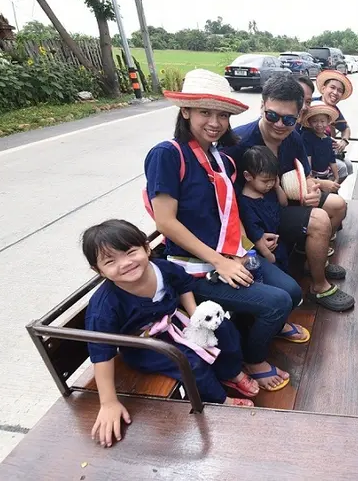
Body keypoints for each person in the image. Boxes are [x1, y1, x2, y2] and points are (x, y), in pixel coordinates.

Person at [144, 69, 307, 392]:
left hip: (232, 256)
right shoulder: (167, 155)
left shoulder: (220, 158)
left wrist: (248, 243)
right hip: (194, 270)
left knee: (292, 292)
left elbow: (230, 209)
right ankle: (253, 359)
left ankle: (268, 327)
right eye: (205, 112)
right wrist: (220, 262)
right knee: (277, 302)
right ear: (186, 111)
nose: (215, 122)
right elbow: (165, 222)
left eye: (222, 115)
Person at [82, 220, 259, 447]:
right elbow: (101, 352)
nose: (125, 263)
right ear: (98, 270)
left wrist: (195, 316)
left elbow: (183, 284)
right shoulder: (104, 306)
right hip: (145, 345)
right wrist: (108, 403)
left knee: (223, 329)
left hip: (176, 322)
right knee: (189, 363)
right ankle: (219, 399)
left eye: (130, 252)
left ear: (146, 248)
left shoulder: (162, 268)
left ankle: (231, 373)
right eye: (110, 261)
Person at [231, 73, 354, 312]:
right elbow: (227, 202)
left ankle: (314, 261)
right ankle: (319, 285)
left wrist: (311, 189)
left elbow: (305, 176)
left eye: (288, 119)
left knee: (337, 206)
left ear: (299, 116)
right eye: (272, 116)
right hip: (252, 217)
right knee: (319, 219)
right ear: (262, 106)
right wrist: (249, 239)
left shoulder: (293, 138)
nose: (279, 124)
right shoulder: (239, 142)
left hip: (282, 205)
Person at [238, 147, 290, 272]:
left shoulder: (268, 190)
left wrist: (277, 187)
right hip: (266, 251)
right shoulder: (246, 204)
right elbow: (256, 237)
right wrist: (269, 257)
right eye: (265, 181)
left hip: (278, 242)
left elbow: (284, 203)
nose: (270, 184)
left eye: (273, 179)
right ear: (248, 176)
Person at [315, 70, 354, 182]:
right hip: (312, 152)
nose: (335, 93)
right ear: (323, 89)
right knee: (341, 168)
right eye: (332, 87)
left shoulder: (334, 111)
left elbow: (346, 128)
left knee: (348, 165)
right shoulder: (313, 105)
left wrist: (344, 141)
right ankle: (326, 189)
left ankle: (331, 188)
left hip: (326, 151)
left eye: (339, 90)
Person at [302, 100, 341, 192]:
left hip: (325, 175)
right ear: (309, 122)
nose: (319, 124)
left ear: (328, 122)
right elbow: (308, 157)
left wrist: (336, 177)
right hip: (313, 176)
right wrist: (310, 176)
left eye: (322, 121)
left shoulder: (328, 140)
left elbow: (332, 159)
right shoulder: (306, 137)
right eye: (314, 121)